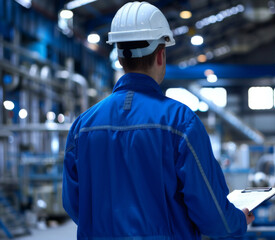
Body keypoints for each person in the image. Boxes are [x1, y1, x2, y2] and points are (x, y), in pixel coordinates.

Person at [62, 1, 255, 239]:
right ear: (161, 54)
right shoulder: (180, 122)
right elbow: (213, 216)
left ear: (120, 58)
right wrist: (236, 221)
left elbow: (74, 205)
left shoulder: (83, 126)